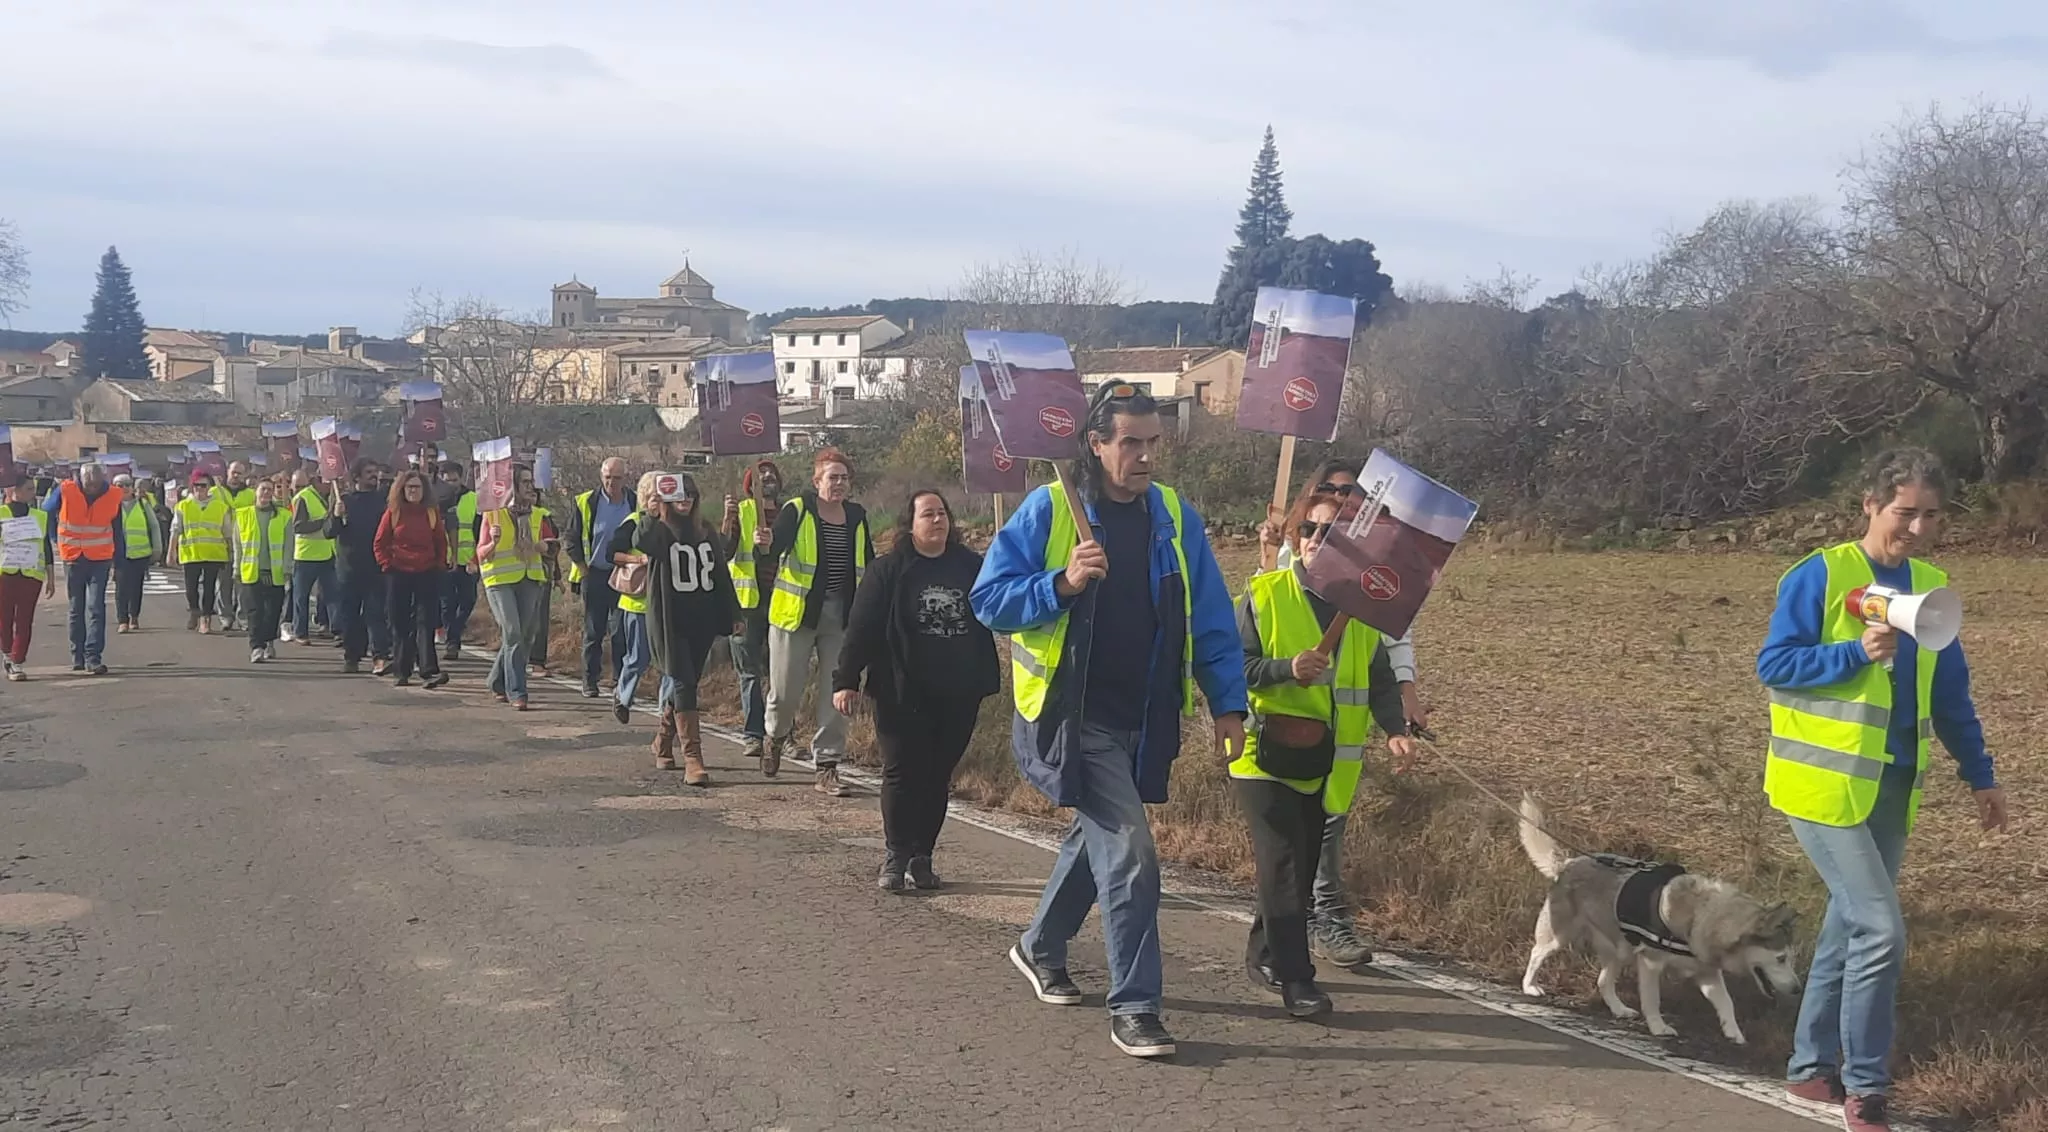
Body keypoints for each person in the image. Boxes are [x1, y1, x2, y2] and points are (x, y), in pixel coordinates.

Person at [971, 382, 1248, 1060]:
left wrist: (1228, 703)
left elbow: (1211, 616)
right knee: (1130, 854)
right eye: (1130, 442)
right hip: (1074, 719)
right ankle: (1136, 1006)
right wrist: (1060, 584)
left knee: (1092, 841)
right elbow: (989, 600)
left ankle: (1040, 945)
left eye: (1153, 442)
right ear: (1095, 444)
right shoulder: (1051, 509)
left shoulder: (1175, 517)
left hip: (1145, 718)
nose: (1145, 455)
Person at [1757, 448, 2008, 1132]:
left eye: (1932, 515)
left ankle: (1810, 1069)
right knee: (1879, 927)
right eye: (1905, 512)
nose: (1919, 528)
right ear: (1870, 505)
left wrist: (1981, 775)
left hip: (1892, 782)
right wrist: (1853, 652)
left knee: (1850, 923)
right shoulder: (1821, 573)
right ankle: (1865, 1088)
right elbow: (1773, 664)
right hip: (1821, 784)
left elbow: (1950, 693)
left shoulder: (1929, 586)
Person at [1233, 491, 1417, 1018]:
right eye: (1309, 530)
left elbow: (1380, 677)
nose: (1317, 540)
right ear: (1295, 541)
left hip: (1325, 765)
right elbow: (1230, 667)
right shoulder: (1264, 595)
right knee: (1285, 865)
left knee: (1298, 864)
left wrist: (1394, 729)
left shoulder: (1361, 610)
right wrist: (1285, 669)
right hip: (1263, 755)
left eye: (1330, 532)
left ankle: (1263, 953)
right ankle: (1298, 980)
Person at [1262, 458, 1431, 968]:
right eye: (1329, 490)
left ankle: (1310, 924)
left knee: (1324, 828)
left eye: (1348, 492)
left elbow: (1384, 653)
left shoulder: (1367, 586)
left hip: (1341, 741)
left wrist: (1397, 718)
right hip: (1281, 739)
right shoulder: (1284, 569)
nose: (1338, 498)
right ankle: (1296, 931)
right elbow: (1254, 636)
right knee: (1294, 843)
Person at [833, 489, 999, 892]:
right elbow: (862, 627)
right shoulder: (887, 570)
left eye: (942, 513)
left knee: (937, 775)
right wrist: (846, 680)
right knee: (901, 771)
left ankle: (922, 856)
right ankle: (896, 854)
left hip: (958, 689)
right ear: (910, 524)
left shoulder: (971, 566)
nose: (937, 520)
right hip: (901, 690)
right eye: (928, 514)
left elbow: (995, 610)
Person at [762, 448, 874, 795]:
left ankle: (827, 765)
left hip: (841, 618)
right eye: (832, 477)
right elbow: (771, 551)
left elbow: (869, 564)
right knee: (785, 692)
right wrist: (763, 543)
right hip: (796, 616)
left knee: (839, 694)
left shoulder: (856, 516)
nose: (838, 483)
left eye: (844, 478)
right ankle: (775, 735)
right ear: (817, 481)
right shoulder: (797, 510)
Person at [634, 471, 739, 782]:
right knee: (683, 681)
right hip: (671, 620)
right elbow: (641, 541)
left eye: (690, 494)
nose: (685, 500)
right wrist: (651, 512)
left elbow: (721, 571)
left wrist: (733, 615)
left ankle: (663, 741)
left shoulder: (704, 530)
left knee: (689, 679)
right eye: (678, 494)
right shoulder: (660, 530)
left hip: (702, 618)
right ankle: (693, 757)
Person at [722, 459, 784, 759]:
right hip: (747, 605)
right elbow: (724, 549)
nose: (768, 476)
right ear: (750, 486)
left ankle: (781, 734)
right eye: (761, 475)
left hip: (783, 603)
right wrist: (727, 518)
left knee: (781, 674)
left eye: (772, 473)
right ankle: (753, 735)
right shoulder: (742, 511)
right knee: (749, 673)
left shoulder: (790, 513)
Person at [564, 457, 636, 698]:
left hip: (624, 575)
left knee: (620, 631)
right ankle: (590, 680)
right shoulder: (586, 502)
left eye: (617, 478)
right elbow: (571, 538)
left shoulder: (635, 502)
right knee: (594, 630)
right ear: (601, 476)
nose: (611, 483)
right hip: (594, 574)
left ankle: (619, 680)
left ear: (625, 478)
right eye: (607, 477)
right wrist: (582, 568)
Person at [47, 462, 128, 675]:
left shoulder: (113, 495)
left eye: (95, 485)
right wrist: (55, 539)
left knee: (96, 608)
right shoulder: (65, 490)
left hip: (100, 559)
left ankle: (93, 657)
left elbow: (118, 530)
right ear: (80, 480)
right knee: (76, 607)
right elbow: (46, 512)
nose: (91, 488)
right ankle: (77, 655)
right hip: (73, 557)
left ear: (103, 481)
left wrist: (119, 562)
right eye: (88, 484)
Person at [476, 464, 546, 711]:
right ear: (512, 486)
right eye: (524, 482)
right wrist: (493, 543)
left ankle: (496, 681)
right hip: (499, 580)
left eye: (530, 481)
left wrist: (545, 547)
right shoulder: (493, 515)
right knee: (513, 632)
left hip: (530, 577)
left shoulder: (538, 514)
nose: (530, 486)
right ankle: (517, 691)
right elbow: (480, 553)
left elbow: (551, 543)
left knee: (523, 636)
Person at [375, 469, 451, 689]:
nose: (413, 491)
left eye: (417, 487)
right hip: (398, 573)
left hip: (426, 572)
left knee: (426, 622)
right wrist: (387, 564)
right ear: (402, 489)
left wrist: (439, 564)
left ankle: (428, 670)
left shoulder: (431, 512)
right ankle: (402, 670)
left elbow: (440, 541)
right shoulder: (393, 512)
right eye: (409, 487)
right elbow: (379, 543)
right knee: (400, 623)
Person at [330, 459, 393, 675]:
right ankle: (352, 657)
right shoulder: (344, 501)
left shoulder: (383, 501)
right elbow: (329, 532)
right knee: (350, 615)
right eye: (369, 472)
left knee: (376, 614)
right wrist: (336, 516)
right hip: (349, 569)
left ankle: (380, 657)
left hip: (376, 568)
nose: (374, 475)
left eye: (375, 472)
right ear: (357, 476)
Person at [607, 474, 656, 723]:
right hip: (637, 601)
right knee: (638, 658)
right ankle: (622, 696)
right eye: (655, 495)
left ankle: (669, 708)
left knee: (668, 662)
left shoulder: (674, 523)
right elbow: (611, 554)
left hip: (665, 604)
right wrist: (638, 560)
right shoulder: (633, 522)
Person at [0, 477, 56, 681]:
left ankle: (17, 661)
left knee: (25, 619)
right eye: (29, 488)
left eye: (33, 489)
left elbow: (46, 548)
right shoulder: (1, 514)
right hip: (5, 573)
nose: (33, 492)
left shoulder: (39, 516)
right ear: (15, 490)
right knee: (4, 617)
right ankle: (7, 653)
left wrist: (51, 577)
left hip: (31, 575)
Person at [236, 478, 294, 663]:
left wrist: (287, 568)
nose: (266, 493)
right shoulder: (242, 515)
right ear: (256, 491)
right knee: (254, 612)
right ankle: (256, 647)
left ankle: (269, 641)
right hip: (251, 571)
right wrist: (237, 568)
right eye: (263, 489)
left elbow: (289, 545)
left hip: (275, 573)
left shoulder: (284, 516)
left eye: (270, 489)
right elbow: (238, 545)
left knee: (273, 612)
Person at [169, 470, 233, 634]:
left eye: (203, 485)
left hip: (214, 553)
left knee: (209, 588)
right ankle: (194, 611)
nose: (199, 489)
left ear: (209, 487)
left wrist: (231, 552)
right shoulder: (183, 506)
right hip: (191, 553)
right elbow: (175, 530)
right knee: (190, 589)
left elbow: (227, 532)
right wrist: (171, 553)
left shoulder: (220, 507)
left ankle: (206, 619)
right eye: (196, 485)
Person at [285, 467, 339, 645]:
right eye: (326, 481)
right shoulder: (303, 497)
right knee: (301, 597)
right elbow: (298, 526)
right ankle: (300, 632)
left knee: (332, 595)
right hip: (306, 556)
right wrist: (324, 521)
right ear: (316, 480)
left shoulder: (331, 497)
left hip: (327, 554)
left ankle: (336, 629)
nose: (329, 485)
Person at [436, 460, 481, 660]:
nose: (451, 484)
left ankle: (454, 631)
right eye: (447, 480)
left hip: (468, 561)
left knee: (468, 600)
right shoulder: (435, 500)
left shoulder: (473, 499)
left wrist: (476, 559)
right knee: (447, 603)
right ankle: (452, 642)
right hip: (444, 561)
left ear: (461, 479)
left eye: (454, 480)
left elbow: (480, 531)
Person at [111, 472, 162, 634]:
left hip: (141, 553)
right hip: (120, 554)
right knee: (121, 587)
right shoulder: (111, 506)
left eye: (127, 485)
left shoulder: (142, 504)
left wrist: (157, 549)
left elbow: (154, 526)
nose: (124, 488)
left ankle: (134, 616)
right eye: (120, 485)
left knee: (136, 587)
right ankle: (123, 620)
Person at [214, 461, 256, 633]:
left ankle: (243, 617)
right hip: (221, 543)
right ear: (227, 472)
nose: (236, 476)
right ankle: (225, 617)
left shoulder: (251, 495)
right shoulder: (215, 492)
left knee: (243, 584)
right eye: (234, 472)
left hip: (244, 544)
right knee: (223, 584)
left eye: (240, 473)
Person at [529, 485, 561, 678]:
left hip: (541, 574)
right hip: (513, 575)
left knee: (540, 620)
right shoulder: (505, 516)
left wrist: (557, 576)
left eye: (533, 495)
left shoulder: (543, 517)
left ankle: (537, 661)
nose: (530, 498)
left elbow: (553, 548)